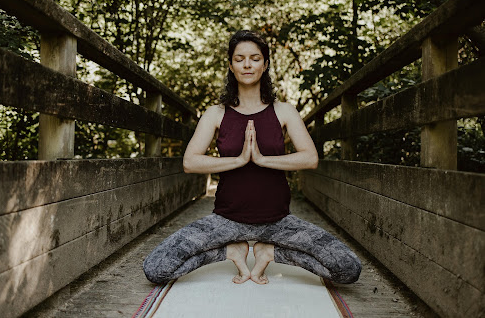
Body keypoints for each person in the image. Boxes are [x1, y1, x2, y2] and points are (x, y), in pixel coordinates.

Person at [143, 30, 361, 285]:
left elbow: (310, 158)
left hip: (278, 222)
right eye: (240, 58)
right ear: (231, 65)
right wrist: (238, 160)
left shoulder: (284, 111)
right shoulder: (215, 114)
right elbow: (190, 162)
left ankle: (268, 251)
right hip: (225, 220)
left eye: (255, 58)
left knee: (348, 269)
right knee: (156, 269)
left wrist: (260, 159)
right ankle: (230, 250)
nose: (247, 64)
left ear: (265, 64)